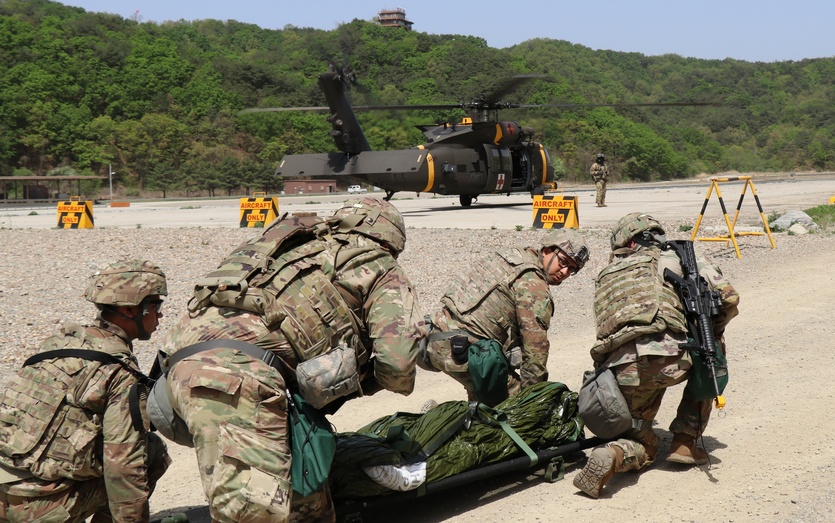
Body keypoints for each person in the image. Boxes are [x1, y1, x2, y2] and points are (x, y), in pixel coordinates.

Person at [156, 197, 420, 523]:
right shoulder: (378, 265)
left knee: (308, 507)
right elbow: (398, 365)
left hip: (172, 372)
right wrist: (357, 382)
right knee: (255, 514)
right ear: (391, 241)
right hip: (237, 380)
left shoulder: (287, 248)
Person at [573, 213, 740, 499]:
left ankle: (614, 453)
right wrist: (710, 330)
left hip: (620, 369)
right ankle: (685, 442)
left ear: (625, 244)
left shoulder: (607, 274)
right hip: (672, 359)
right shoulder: (683, 261)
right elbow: (729, 298)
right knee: (713, 349)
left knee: (640, 438)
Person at [0, 260, 172, 523]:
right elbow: (124, 466)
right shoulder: (119, 373)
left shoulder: (57, 344)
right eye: (156, 306)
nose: (160, 315)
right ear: (130, 310)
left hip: (6, 489)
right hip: (34, 510)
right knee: (152, 453)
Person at [420, 229, 590, 404]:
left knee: (485, 395)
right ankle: (441, 422)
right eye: (563, 262)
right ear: (547, 250)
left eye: (571, 269)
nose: (564, 271)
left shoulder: (511, 257)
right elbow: (535, 351)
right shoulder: (533, 284)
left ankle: (461, 415)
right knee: (512, 410)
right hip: (462, 352)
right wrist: (533, 402)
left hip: (434, 335)